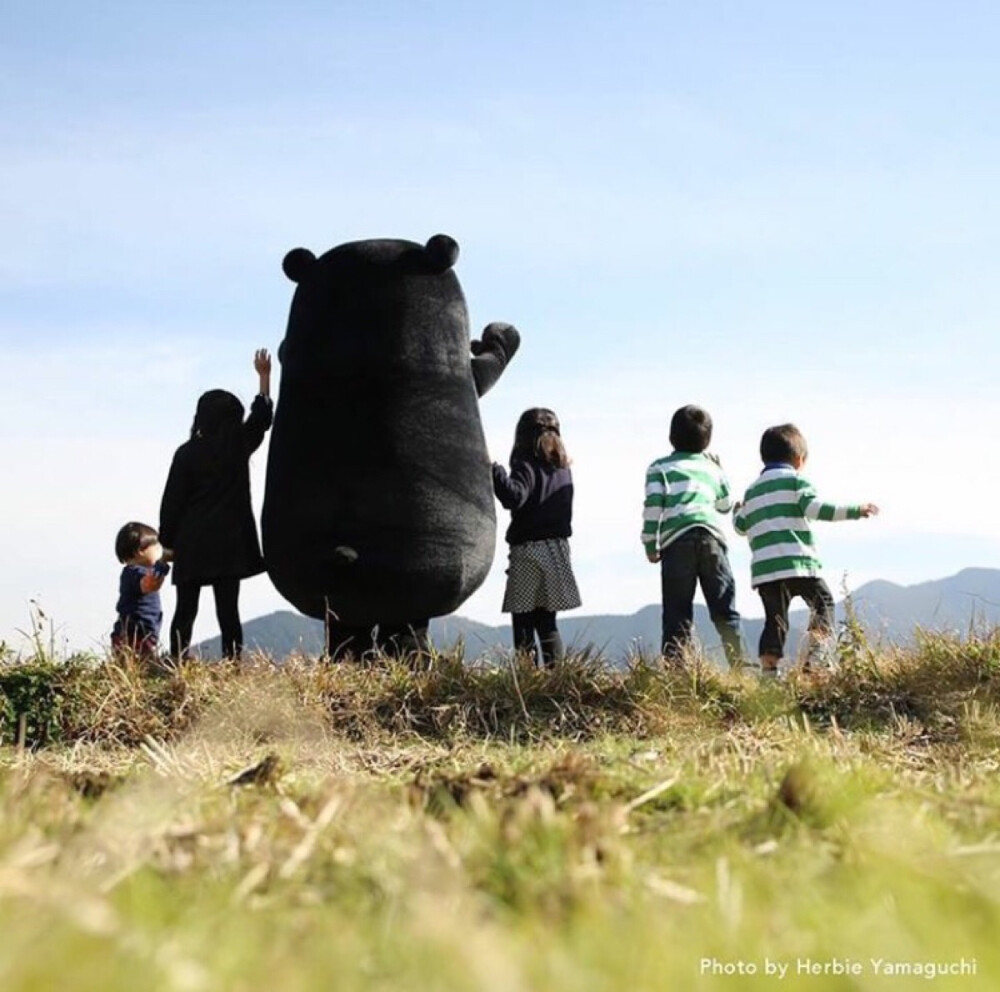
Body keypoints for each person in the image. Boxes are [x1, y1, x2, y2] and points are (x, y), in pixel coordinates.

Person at [733, 423, 879, 677]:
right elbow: (817, 510)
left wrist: (736, 510)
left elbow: (741, 526)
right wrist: (856, 510)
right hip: (799, 564)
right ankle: (816, 659)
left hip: (766, 572)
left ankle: (769, 675)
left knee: (775, 621)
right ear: (799, 459)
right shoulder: (796, 482)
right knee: (824, 605)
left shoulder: (752, 491)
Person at [159, 349, 273, 661]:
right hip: (229, 542)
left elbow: (172, 503)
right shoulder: (237, 446)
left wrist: (167, 541)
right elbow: (262, 419)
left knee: (185, 609)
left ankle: (178, 662)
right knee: (228, 609)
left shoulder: (186, 453)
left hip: (193, 540)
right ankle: (233, 662)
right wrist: (264, 377)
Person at [641, 404, 745, 669]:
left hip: (677, 541)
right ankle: (742, 666)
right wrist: (721, 471)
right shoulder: (712, 469)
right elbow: (724, 505)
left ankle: (677, 673)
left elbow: (653, 508)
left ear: (671, 435)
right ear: (707, 439)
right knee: (724, 608)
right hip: (712, 539)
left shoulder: (659, 468)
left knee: (677, 612)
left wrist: (650, 544)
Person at [492, 408, 581, 667]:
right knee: (547, 623)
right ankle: (557, 680)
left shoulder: (526, 464)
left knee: (523, 621)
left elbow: (514, 497)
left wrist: (493, 470)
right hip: (558, 550)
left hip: (529, 551)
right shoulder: (563, 469)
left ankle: (527, 679)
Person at [111, 521, 171, 658]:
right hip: (134, 633)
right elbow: (149, 585)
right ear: (141, 551)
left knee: (142, 664)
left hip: (140, 633)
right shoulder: (134, 572)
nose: (160, 552)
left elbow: (154, 584)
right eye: (157, 549)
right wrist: (161, 566)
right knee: (143, 665)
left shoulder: (138, 571)